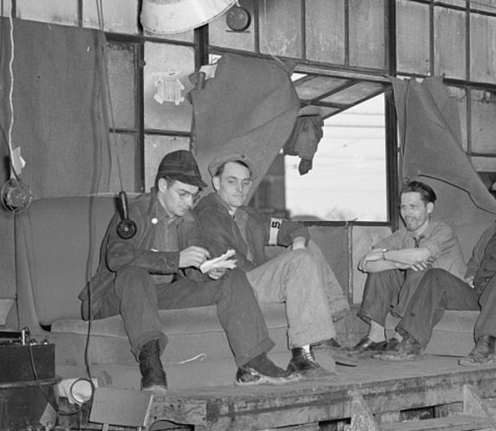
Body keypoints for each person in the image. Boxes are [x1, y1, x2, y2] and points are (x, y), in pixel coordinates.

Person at [79, 149, 298, 392]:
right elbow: (117, 258)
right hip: (116, 298)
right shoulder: (134, 212)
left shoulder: (189, 219)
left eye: (193, 196)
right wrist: (176, 260)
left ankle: (253, 362)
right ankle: (151, 364)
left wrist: (207, 271)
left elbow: (192, 271)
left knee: (232, 276)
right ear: (162, 185)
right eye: (182, 194)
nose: (188, 203)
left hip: (159, 297)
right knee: (134, 273)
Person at [374, 172, 496, 366]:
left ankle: (485, 345)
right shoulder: (494, 231)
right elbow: (475, 260)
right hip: (482, 296)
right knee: (435, 276)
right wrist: (471, 275)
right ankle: (411, 343)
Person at [194, 155, 355, 379]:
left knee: (309, 248)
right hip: (235, 286)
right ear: (217, 183)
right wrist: (281, 269)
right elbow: (232, 263)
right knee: (299, 261)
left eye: (245, 182)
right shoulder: (209, 215)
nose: (240, 189)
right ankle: (302, 354)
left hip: (255, 278)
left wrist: (297, 242)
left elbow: (291, 227)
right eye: (232, 181)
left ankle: (330, 321)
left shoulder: (246, 215)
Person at [350, 180, 466, 356]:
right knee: (384, 270)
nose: (407, 214)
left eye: (413, 207)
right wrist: (396, 263)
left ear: (429, 208)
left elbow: (419, 257)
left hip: (446, 295)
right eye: (403, 207)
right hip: (415, 293)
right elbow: (365, 264)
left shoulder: (443, 230)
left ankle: (400, 335)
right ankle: (376, 336)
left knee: (418, 266)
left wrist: (384, 255)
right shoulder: (402, 235)